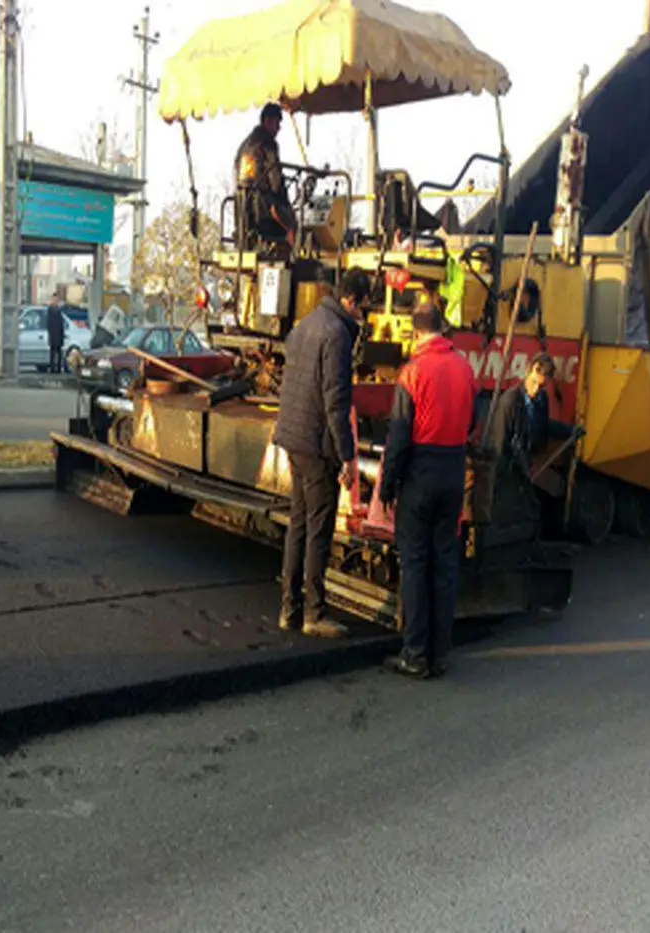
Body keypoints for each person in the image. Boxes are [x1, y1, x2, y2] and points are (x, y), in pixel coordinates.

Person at [378, 297, 478, 679]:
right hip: (453, 472)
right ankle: (440, 652)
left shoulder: (412, 372)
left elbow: (399, 435)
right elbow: (472, 422)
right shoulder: (465, 368)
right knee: (445, 565)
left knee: (415, 564)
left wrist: (387, 487)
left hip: (420, 475)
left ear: (416, 332)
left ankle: (415, 653)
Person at [272, 268, 370, 638]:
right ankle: (314, 613)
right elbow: (336, 401)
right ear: (351, 301)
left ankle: (289, 609)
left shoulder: (305, 325)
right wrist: (348, 455)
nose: (362, 314)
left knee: (297, 524)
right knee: (319, 529)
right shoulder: (337, 335)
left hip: (293, 437)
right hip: (317, 443)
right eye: (362, 306)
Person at [488, 352, 577, 474]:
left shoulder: (541, 399)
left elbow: (544, 426)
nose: (535, 390)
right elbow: (499, 443)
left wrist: (570, 431)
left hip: (526, 468)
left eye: (541, 386)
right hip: (509, 470)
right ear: (527, 372)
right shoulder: (509, 401)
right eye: (534, 383)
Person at [234, 103, 297, 249]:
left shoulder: (244, 145)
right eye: (277, 122)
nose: (279, 128)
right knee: (294, 225)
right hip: (263, 210)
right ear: (267, 121)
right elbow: (276, 182)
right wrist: (286, 207)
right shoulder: (268, 143)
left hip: (243, 212)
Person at [47, 295, 66, 374]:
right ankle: (52, 368)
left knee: (59, 352)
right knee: (52, 352)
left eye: (56, 300)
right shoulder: (50, 311)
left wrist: (62, 334)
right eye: (54, 300)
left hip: (59, 334)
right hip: (53, 335)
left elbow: (61, 324)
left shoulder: (59, 311)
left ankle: (58, 368)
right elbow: (49, 324)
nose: (55, 302)